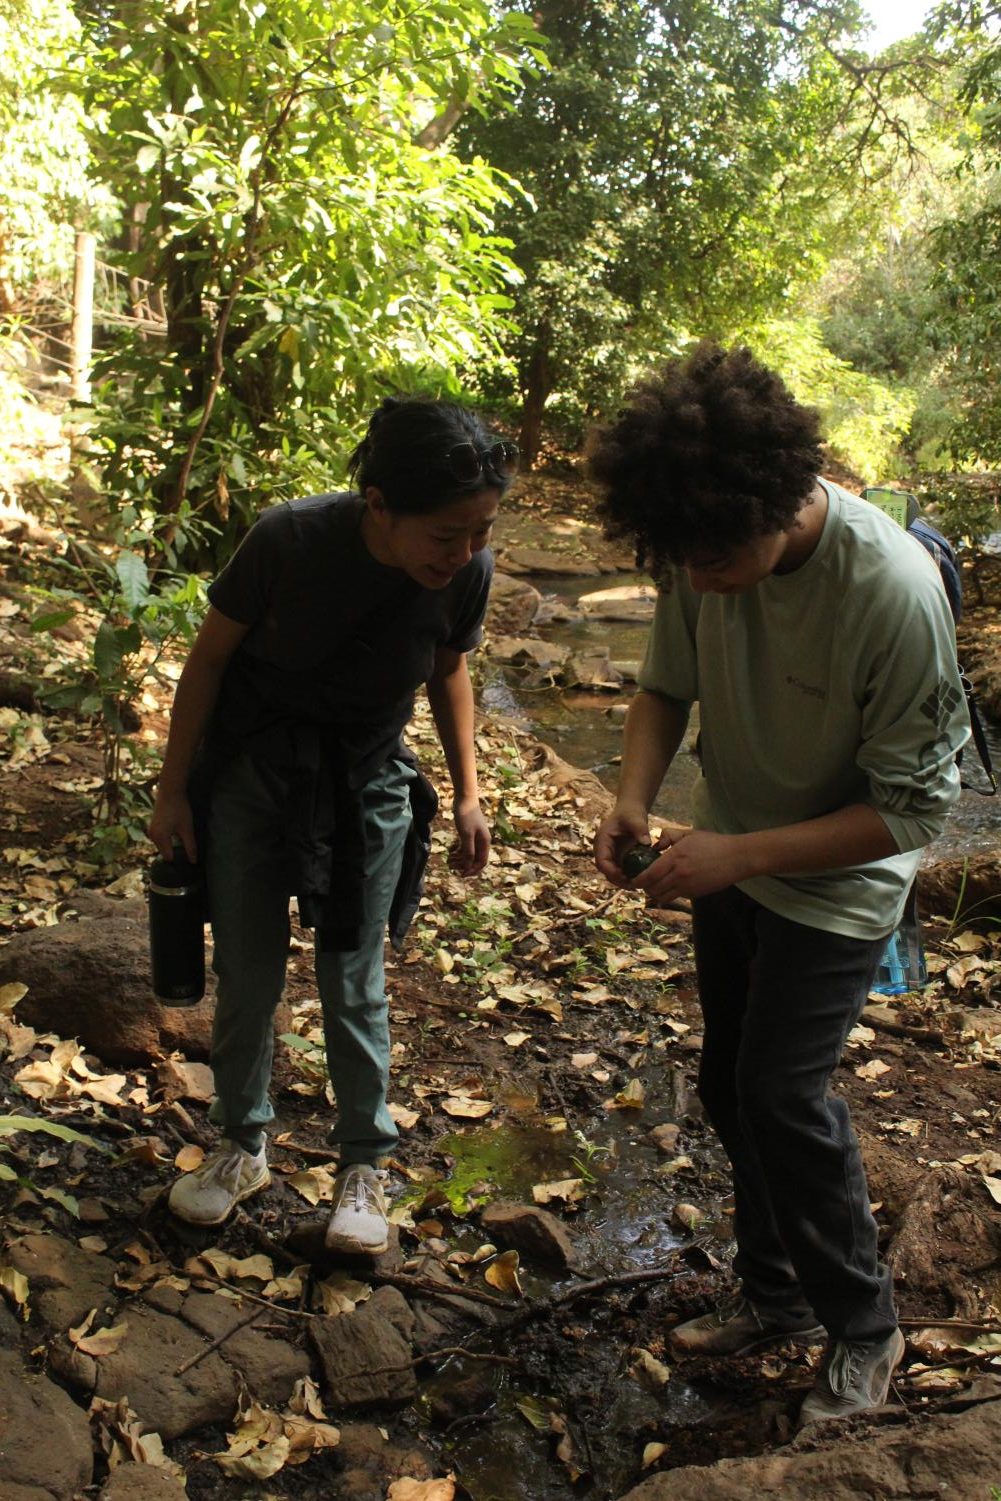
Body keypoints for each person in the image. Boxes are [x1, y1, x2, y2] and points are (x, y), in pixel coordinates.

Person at [588, 344, 969, 1426]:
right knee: (724, 1083)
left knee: (781, 1096)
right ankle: (774, 1298)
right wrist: (629, 796)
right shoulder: (696, 540)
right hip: (731, 857)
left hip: (833, 883)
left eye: (713, 558)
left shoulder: (888, 591)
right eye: (685, 560)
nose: (698, 580)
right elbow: (665, 686)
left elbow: (911, 810)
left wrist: (740, 854)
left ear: (778, 498)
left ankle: (864, 1326)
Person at [149, 397, 517, 1252]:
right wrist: (173, 792)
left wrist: (468, 791)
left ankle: (364, 1165)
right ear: (379, 503)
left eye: (480, 531)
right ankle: (240, 1146)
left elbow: (449, 670)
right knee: (248, 973)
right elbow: (207, 661)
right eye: (445, 533)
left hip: (366, 782)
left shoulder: (467, 569)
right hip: (253, 776)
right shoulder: (288, 541)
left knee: (355, 979)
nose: (463, 552)